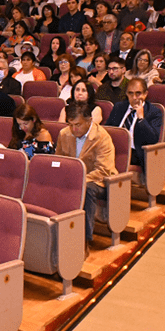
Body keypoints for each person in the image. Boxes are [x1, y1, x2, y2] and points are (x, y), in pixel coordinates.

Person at [56, 102, 117, 251]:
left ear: (89, 121)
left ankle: (84, 240)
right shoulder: (64, 134)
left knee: (87, 189)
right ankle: (57, 235)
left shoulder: (102, 137)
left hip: (100, 182)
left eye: (77, 125)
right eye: (70, 125)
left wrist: (79, 182)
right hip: (73, 181)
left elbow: (103, 170)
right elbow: (59, 160)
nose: (73, 129)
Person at [105, 78, 164, 168]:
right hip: (113, 148)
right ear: (126, 93)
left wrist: (141, 118)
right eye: (131, 93)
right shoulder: (119, 107)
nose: (134, 97)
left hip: (135, 152)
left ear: (145, 94)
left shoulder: (154, 112)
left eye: (138, 93)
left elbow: (153, 139)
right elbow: (108, 129)